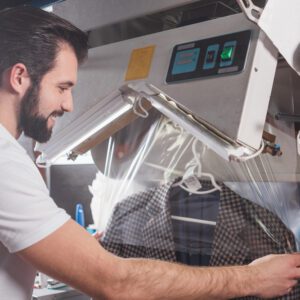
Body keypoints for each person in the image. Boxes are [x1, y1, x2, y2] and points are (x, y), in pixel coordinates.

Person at [0, 6, 300, 300]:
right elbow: (115, 284)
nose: (69, 105)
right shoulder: (5, 162)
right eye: (62, 87)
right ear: (19, 77)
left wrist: (72, 249)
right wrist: (254, 278)